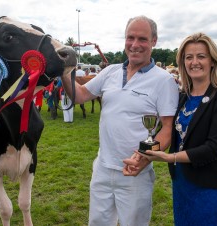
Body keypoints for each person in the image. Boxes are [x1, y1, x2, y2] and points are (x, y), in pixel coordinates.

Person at [61, 15, 179, 226]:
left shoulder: (164, 80)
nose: (135, 45)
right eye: (130, 38)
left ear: (154, 41)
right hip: (102, 168)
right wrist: (61, 71)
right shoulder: (110, 71)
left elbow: (167, 129)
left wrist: (144, 158)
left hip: (136, 172)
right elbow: (79, 96)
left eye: (142, 39)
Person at [124, 32, 217, 226]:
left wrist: (171, 157)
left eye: (201, 56)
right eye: (189, 57)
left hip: (209, 186)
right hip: (181, 182)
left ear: (212, 60)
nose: (194, 62)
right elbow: (166, 131)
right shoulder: (182, 96)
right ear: (183, 62)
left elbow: (214, 148)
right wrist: (141, 156)